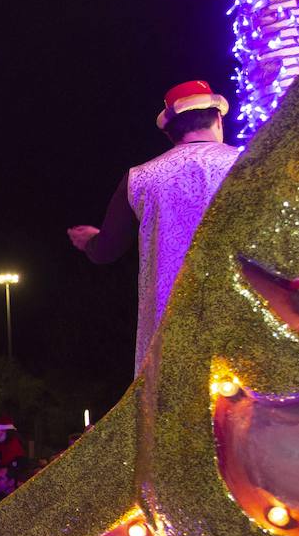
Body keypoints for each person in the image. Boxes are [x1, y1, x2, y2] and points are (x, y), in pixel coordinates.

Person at [68, 81, 241, 370]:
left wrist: (91, 242)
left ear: (169, 132)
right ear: (218, 118)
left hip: (170, 330)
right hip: (240, 320)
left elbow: (106, 250)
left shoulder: (141, 177)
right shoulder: (247, 164)